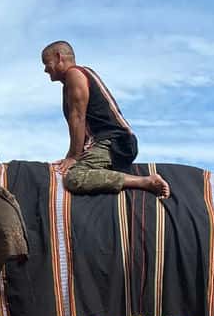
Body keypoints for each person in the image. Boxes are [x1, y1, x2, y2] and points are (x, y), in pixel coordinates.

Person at [42, 40, 170, 198]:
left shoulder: (74, 74)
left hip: (112, 142)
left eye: (47, 63)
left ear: (59, 57)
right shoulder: (78, 76)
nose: (45, 69)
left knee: (74, 177)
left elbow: (78, 117)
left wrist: (73, 157)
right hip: (108, 141)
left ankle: (146, 182)